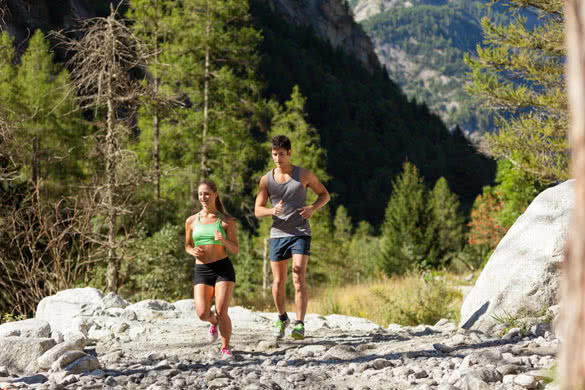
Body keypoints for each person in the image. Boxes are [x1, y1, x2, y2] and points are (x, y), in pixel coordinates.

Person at [255, 135, 330, 340]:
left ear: (289, 152)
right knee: (278, 281)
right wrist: (272, 211)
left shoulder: (304, 175)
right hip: (278, 233)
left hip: (300, 232)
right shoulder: (266, 180)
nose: (278, 159)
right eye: (274, 155)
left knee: (298, 275)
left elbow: (325, 195)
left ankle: (299, 324)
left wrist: (313, 208)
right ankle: (282, 318)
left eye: (281, 154)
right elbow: (257, 210)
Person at [185, 179, 239, 359]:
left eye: (207, 193)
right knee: (202, 313)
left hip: (223, 269)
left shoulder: (226, 221)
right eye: (200, 194)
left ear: (215, 194)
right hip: (202, 270)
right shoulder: (191, 221)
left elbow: (235, 249)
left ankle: (225, 347)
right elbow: (187, 245)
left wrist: (223, 240)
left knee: (222, 310)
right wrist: (192, 251)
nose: (203, 197)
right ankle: (213, 322)